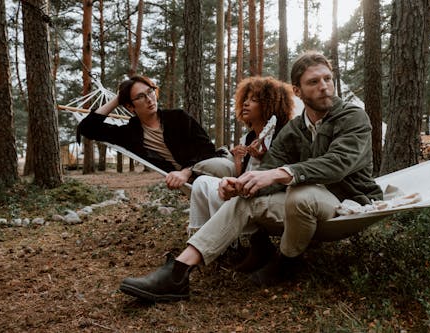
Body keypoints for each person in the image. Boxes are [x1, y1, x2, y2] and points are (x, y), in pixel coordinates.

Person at [119, 51, 383, 302]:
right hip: (302, 206)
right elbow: (268, 167)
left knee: (300, 194)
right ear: (298, 91)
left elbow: (338, 163)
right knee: (246, 200)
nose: (324, 86)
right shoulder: (294, 129)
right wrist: (242, 185)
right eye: (314, 82)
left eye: (327, 79)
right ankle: (178, 272)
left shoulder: (353, 116)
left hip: (347, 203)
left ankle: (285, 261)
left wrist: (279, 174)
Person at [188, 76, 294, 240]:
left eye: (253, 100)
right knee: (201, 183)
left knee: (206, 185)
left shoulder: (282, 133)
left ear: (269, 104)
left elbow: (282, 172)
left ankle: (221, 240)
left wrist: (263, 156)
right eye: (245, 99)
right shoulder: (248, 137)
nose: (245, 103)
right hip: (245, 189)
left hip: (269, 193)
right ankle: (208, 237)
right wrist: (238, 160)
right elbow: (241, 176)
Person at [77, 75, 222, 189]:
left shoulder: (178, 117)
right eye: (140, 96)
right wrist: (117, 99)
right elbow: (87, 128)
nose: (149, 99)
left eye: (150, 92)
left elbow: (207, 149)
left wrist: (186, 172)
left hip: (210, 167)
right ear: (130, 107)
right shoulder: (131, 134)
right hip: (195, 183)